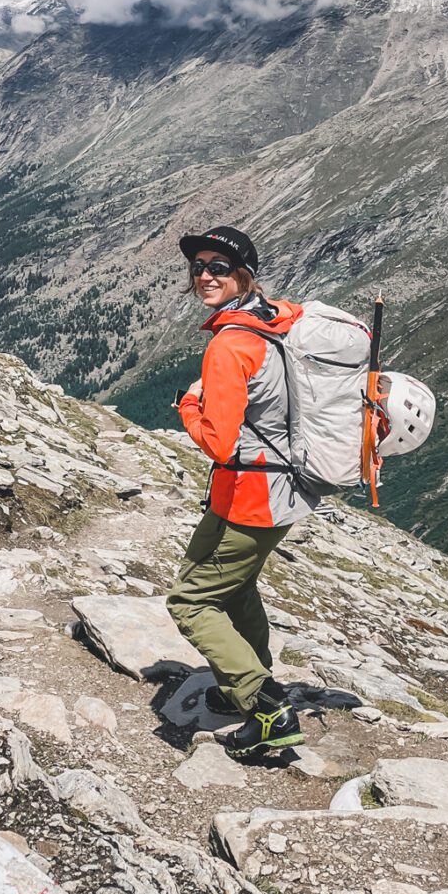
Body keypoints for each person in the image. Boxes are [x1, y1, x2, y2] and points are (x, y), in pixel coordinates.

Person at [166, 224, 318, 759]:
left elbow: (217, 439)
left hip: (253, 493)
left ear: (244, 275)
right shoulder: (270, 322)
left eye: (219, 268)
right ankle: (244, 684)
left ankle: (266, 706)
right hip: (266, 490)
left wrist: (187, 403)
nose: (205, 275)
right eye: (199, 267)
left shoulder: (232, 344)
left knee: (190, 602)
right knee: (232, 586)